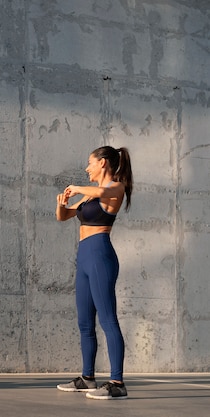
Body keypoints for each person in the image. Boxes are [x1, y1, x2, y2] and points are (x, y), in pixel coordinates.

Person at [55, 146, 133, 400]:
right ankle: (88, 378)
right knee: (84, 322)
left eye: (89, 163)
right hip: (85, 257)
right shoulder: (88, 197)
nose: (87, 168)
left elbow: (101, 191)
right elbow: (64, 217)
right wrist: (62, 204)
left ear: (102, 163)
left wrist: (77, 188)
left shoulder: (116, 187)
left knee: (108, 319)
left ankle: (117, 382)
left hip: (100, 256)